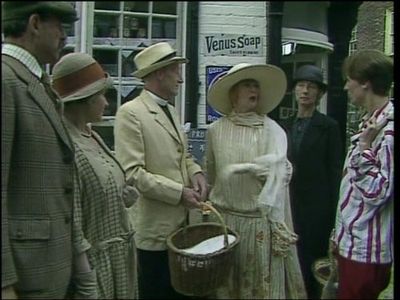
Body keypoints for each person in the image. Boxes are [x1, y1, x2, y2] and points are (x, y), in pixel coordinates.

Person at [114, 42, 208, 299]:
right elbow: (132, 172)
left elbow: (183, 155)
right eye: (176, 70)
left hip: (181, 229)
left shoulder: (171, 110)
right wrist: (180, 193)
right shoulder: (130, 113)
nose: (181, 77)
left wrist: (197, 172)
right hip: (153, 233)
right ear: (159, 73)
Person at [204, 63, 307, 299]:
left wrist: (261, 170)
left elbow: (283, 171)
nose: (254, 91)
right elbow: (210, 174)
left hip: (257, 226)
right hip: (225, 224)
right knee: (226, 288)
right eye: (247, 85)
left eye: (256, 86)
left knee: (257, 289)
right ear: (233, 94)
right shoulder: (215, 131)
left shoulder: (272, 131)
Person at [1, 3, 78, 299]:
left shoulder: (33, 80)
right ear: (34, 24)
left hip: (49, 273)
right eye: (59, 26)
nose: (64, 36)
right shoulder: (7, 81)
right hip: (23, 277)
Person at [51, 52, 140, 299]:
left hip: (118, 260)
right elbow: (73, 221)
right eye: (101, 96)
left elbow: (101, 186)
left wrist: (122, 195)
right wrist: (87, 280)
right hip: (96, 266)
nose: (106, 103)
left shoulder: (92, 135)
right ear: (84, 100)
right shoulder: (68, 147)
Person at [332, 49, 394, 299]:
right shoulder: (370, 123)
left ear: (365, 82)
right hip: (352, 244)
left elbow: (379, 192)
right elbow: (352, 188)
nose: (346, 87)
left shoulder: (388, 133)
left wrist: (364, 149)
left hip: (367, 251)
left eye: (349, 80)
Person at [279, 65, 344, 298]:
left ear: (319, 94)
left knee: (314, 264)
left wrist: (335, 213)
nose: (305, 91)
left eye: (311, 87)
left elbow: (335, 171)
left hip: (317, 209)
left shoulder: (329, 127)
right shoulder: (284, 126)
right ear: (294, 91)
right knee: (290, 259)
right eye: (301, 86)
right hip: (289, 206)